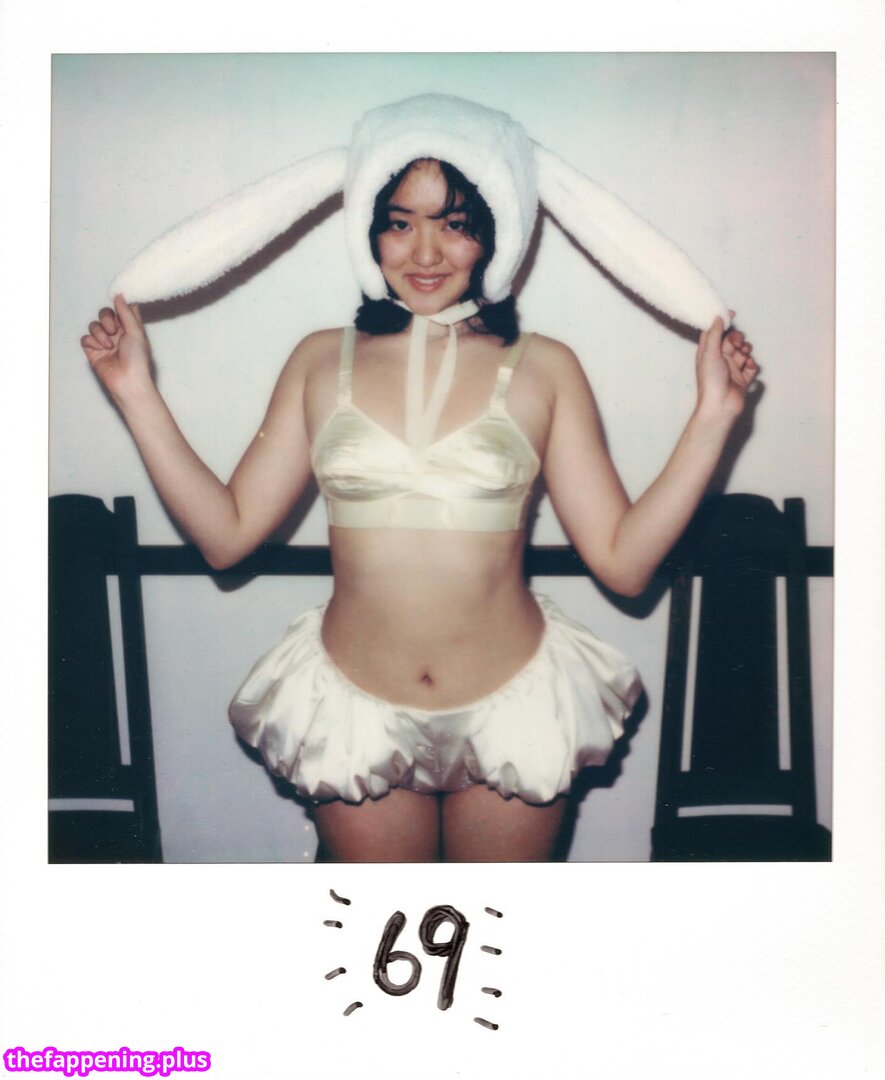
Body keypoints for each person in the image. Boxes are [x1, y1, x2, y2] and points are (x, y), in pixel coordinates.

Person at [80, 94, 757, 863]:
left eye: (455, 224)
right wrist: (135, 393)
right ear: (367, 230)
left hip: (514, 710)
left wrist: (713, 416)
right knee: (382, 932)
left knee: (497, 932)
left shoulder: (545, 367)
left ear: (496, 232)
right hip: (355, 711)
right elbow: (226, 537)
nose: (424, 253)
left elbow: (624, 564)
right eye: (399, 223)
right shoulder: (316, 360)